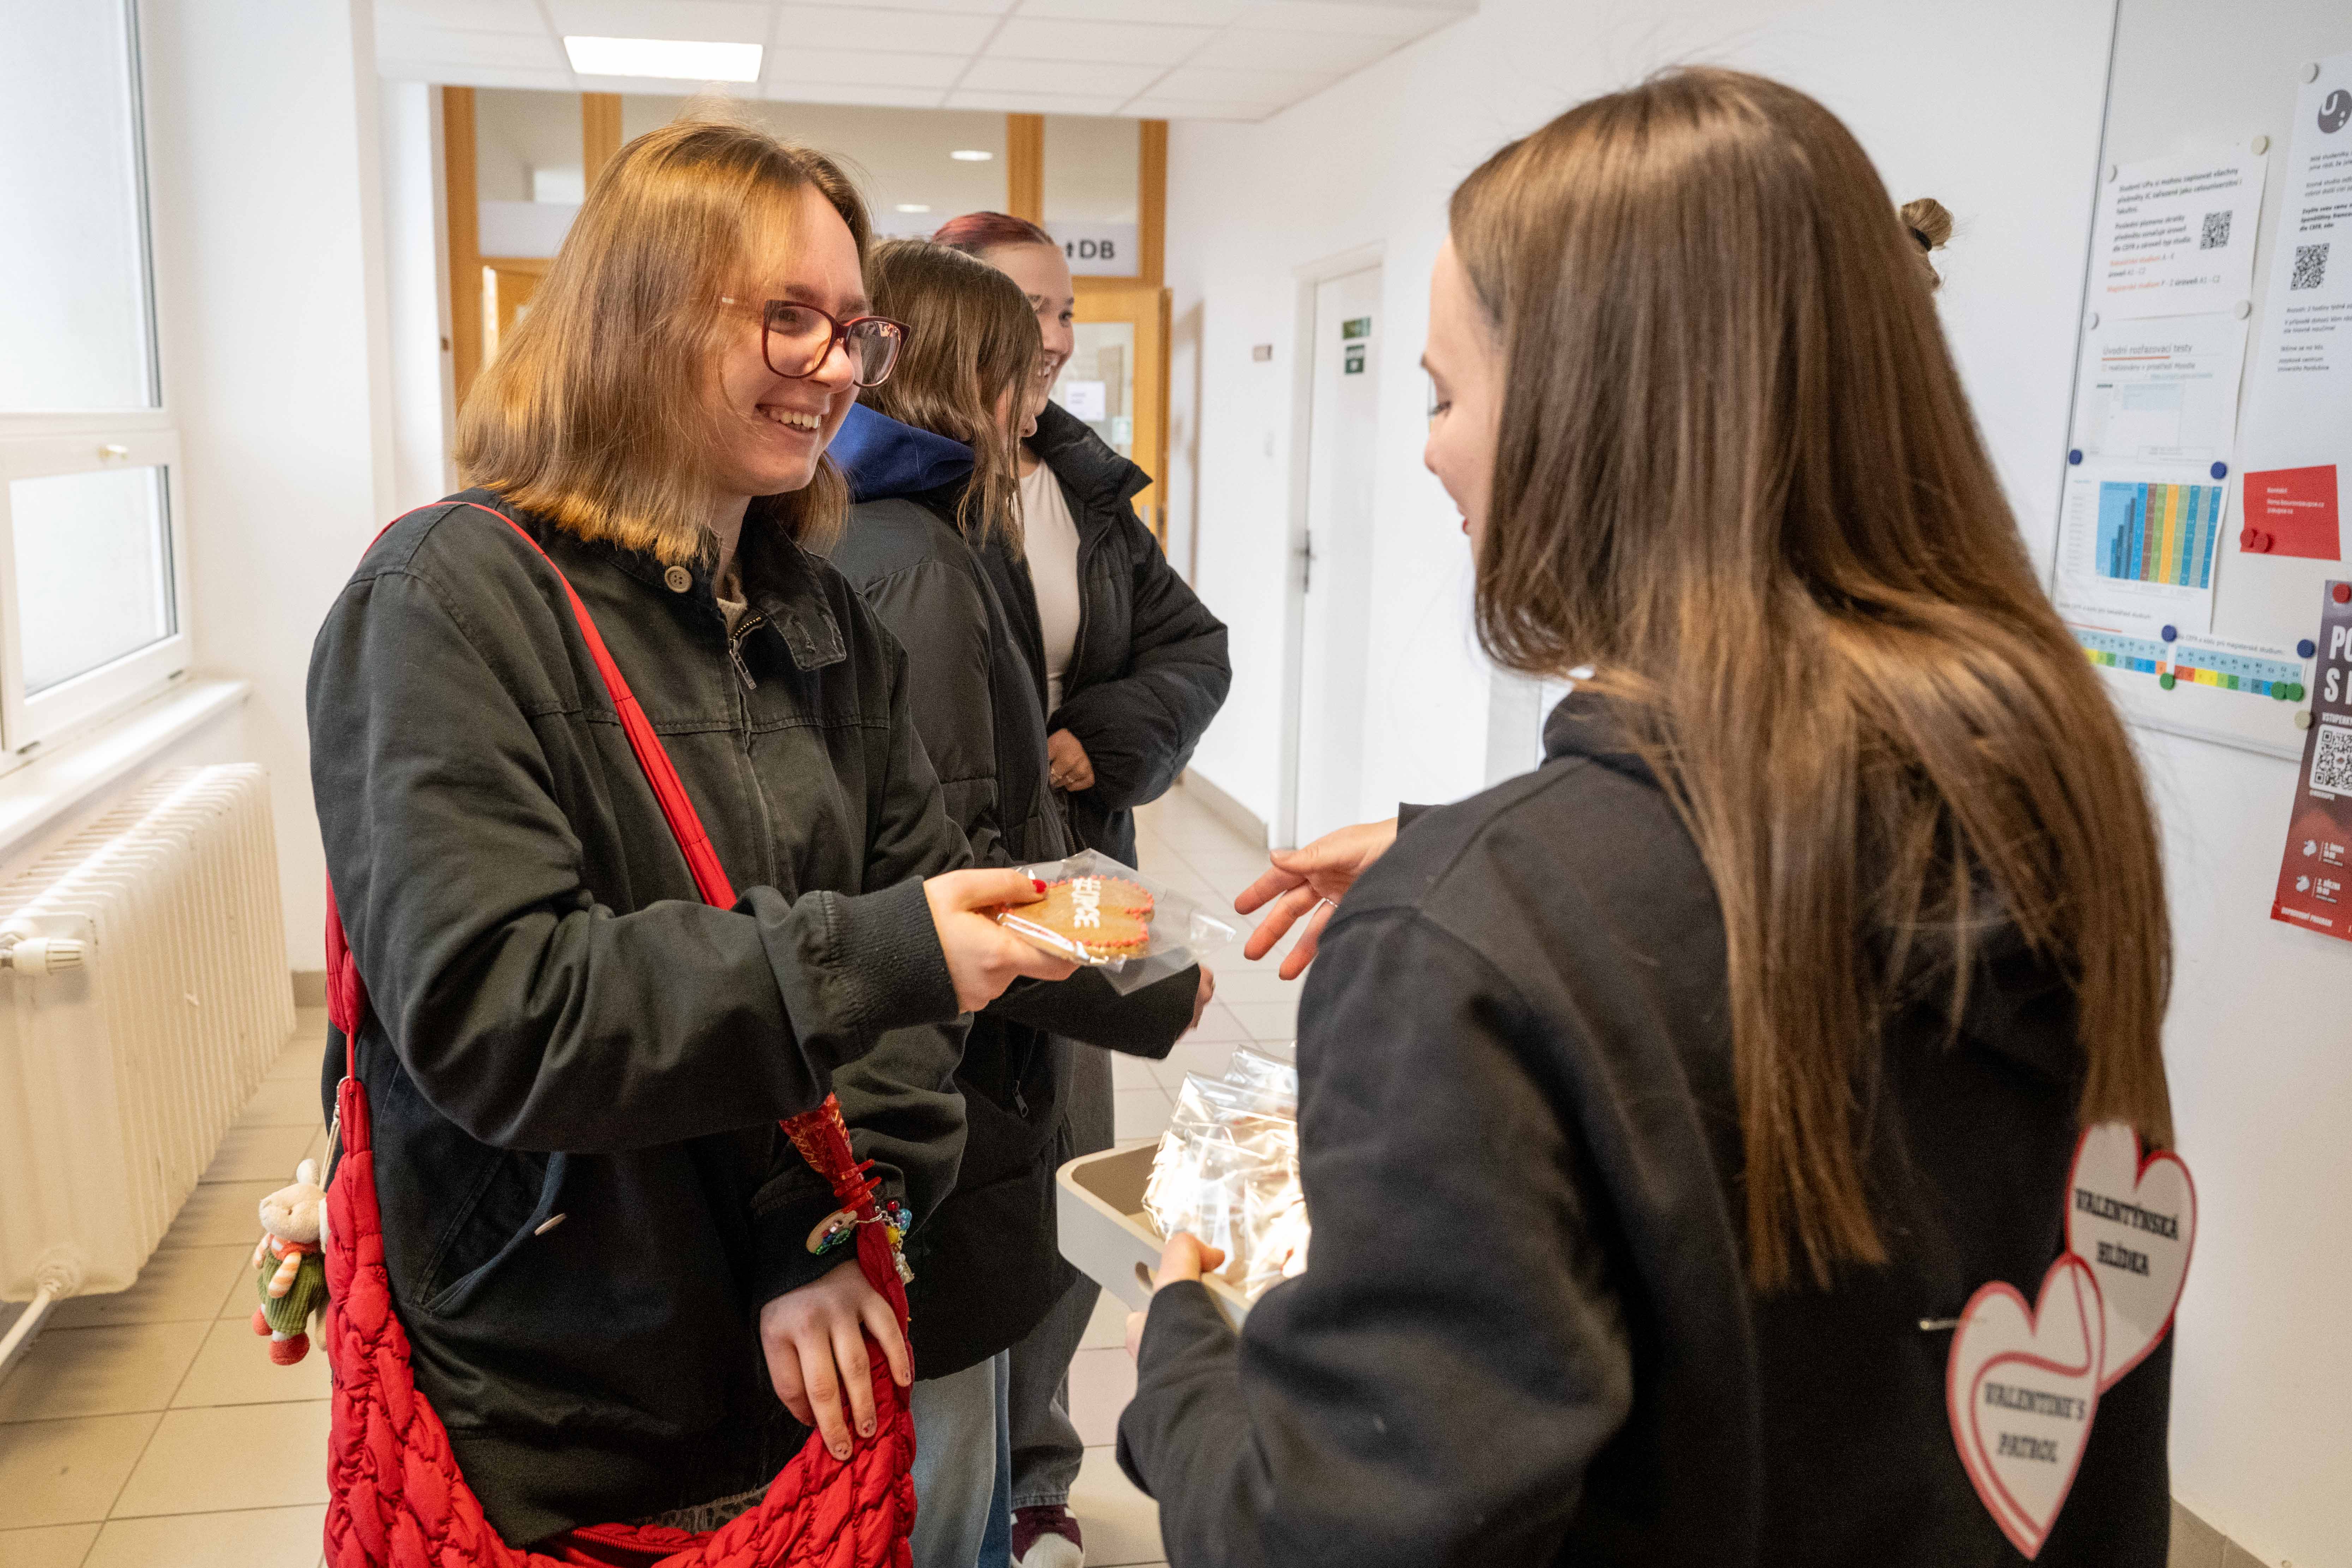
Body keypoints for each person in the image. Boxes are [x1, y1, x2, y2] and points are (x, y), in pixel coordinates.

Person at [1122, 68, 2176, 1566]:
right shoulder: (2049, 810)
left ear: (1591, 415)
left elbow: (1332, 1532)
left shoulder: (1466, 947)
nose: (1428, 449)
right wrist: (1487, 860)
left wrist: (1182, 1360)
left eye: (1444, 393)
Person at [306, 118, 1076, 1555]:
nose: (834, 367)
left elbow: (917, 993)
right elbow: (498, 1010)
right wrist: (874, 954)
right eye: (788, 318)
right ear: (639, 313)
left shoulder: (825, 618)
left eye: (854, 330)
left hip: (799, 1387)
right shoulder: (448, 597)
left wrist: (826, 1224)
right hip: (568, 1394)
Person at [826, 238, 1212, 1568]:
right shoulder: (927, 566)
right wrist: (1154, 978)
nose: (1036, 397)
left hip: (916, 1045)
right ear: (960, 379)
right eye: (1018, 366)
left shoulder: (884, 532)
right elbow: (971, 866)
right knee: (947, 1463)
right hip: (943, 1073)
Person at [932, 210, 1232, 1568]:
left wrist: (1097, 738)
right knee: (963, 1194)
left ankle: (1036, 1471)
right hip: (966, 893)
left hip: (1079, 877)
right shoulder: (906, 506)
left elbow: (1193, 648)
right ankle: (957, 1483)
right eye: (1027, 313)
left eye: (1065, 310)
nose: (1053, 337)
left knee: (1065, 1177)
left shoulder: (1083, 485)